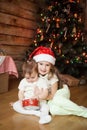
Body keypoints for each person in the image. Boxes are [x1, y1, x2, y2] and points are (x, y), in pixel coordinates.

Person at [29, 46, 87, 118]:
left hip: (60, 92)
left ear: (51, 66)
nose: (43, 68)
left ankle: (83, 112)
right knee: (53, 110)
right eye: (41, 64)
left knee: (57, 99)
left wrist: (40, 97)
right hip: (48, 97)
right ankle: (78, 109)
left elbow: (53, 95)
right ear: (36, 64)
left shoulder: (52, 76)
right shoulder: (35, 76)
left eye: (47, 65)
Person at [12, 59, 52, 124]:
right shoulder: (23, 81)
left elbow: (45, 92)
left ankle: (44, 117)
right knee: (15, 105)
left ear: (37, 73)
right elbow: (21, 92)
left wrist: (39, 97)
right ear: (24, 75)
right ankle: (36, 113)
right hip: (26, 103)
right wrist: (21, 100)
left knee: (46, 107)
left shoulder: (42, 81)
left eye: (33, 77)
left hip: (39, 102)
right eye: (27, 78)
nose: (30, 80)